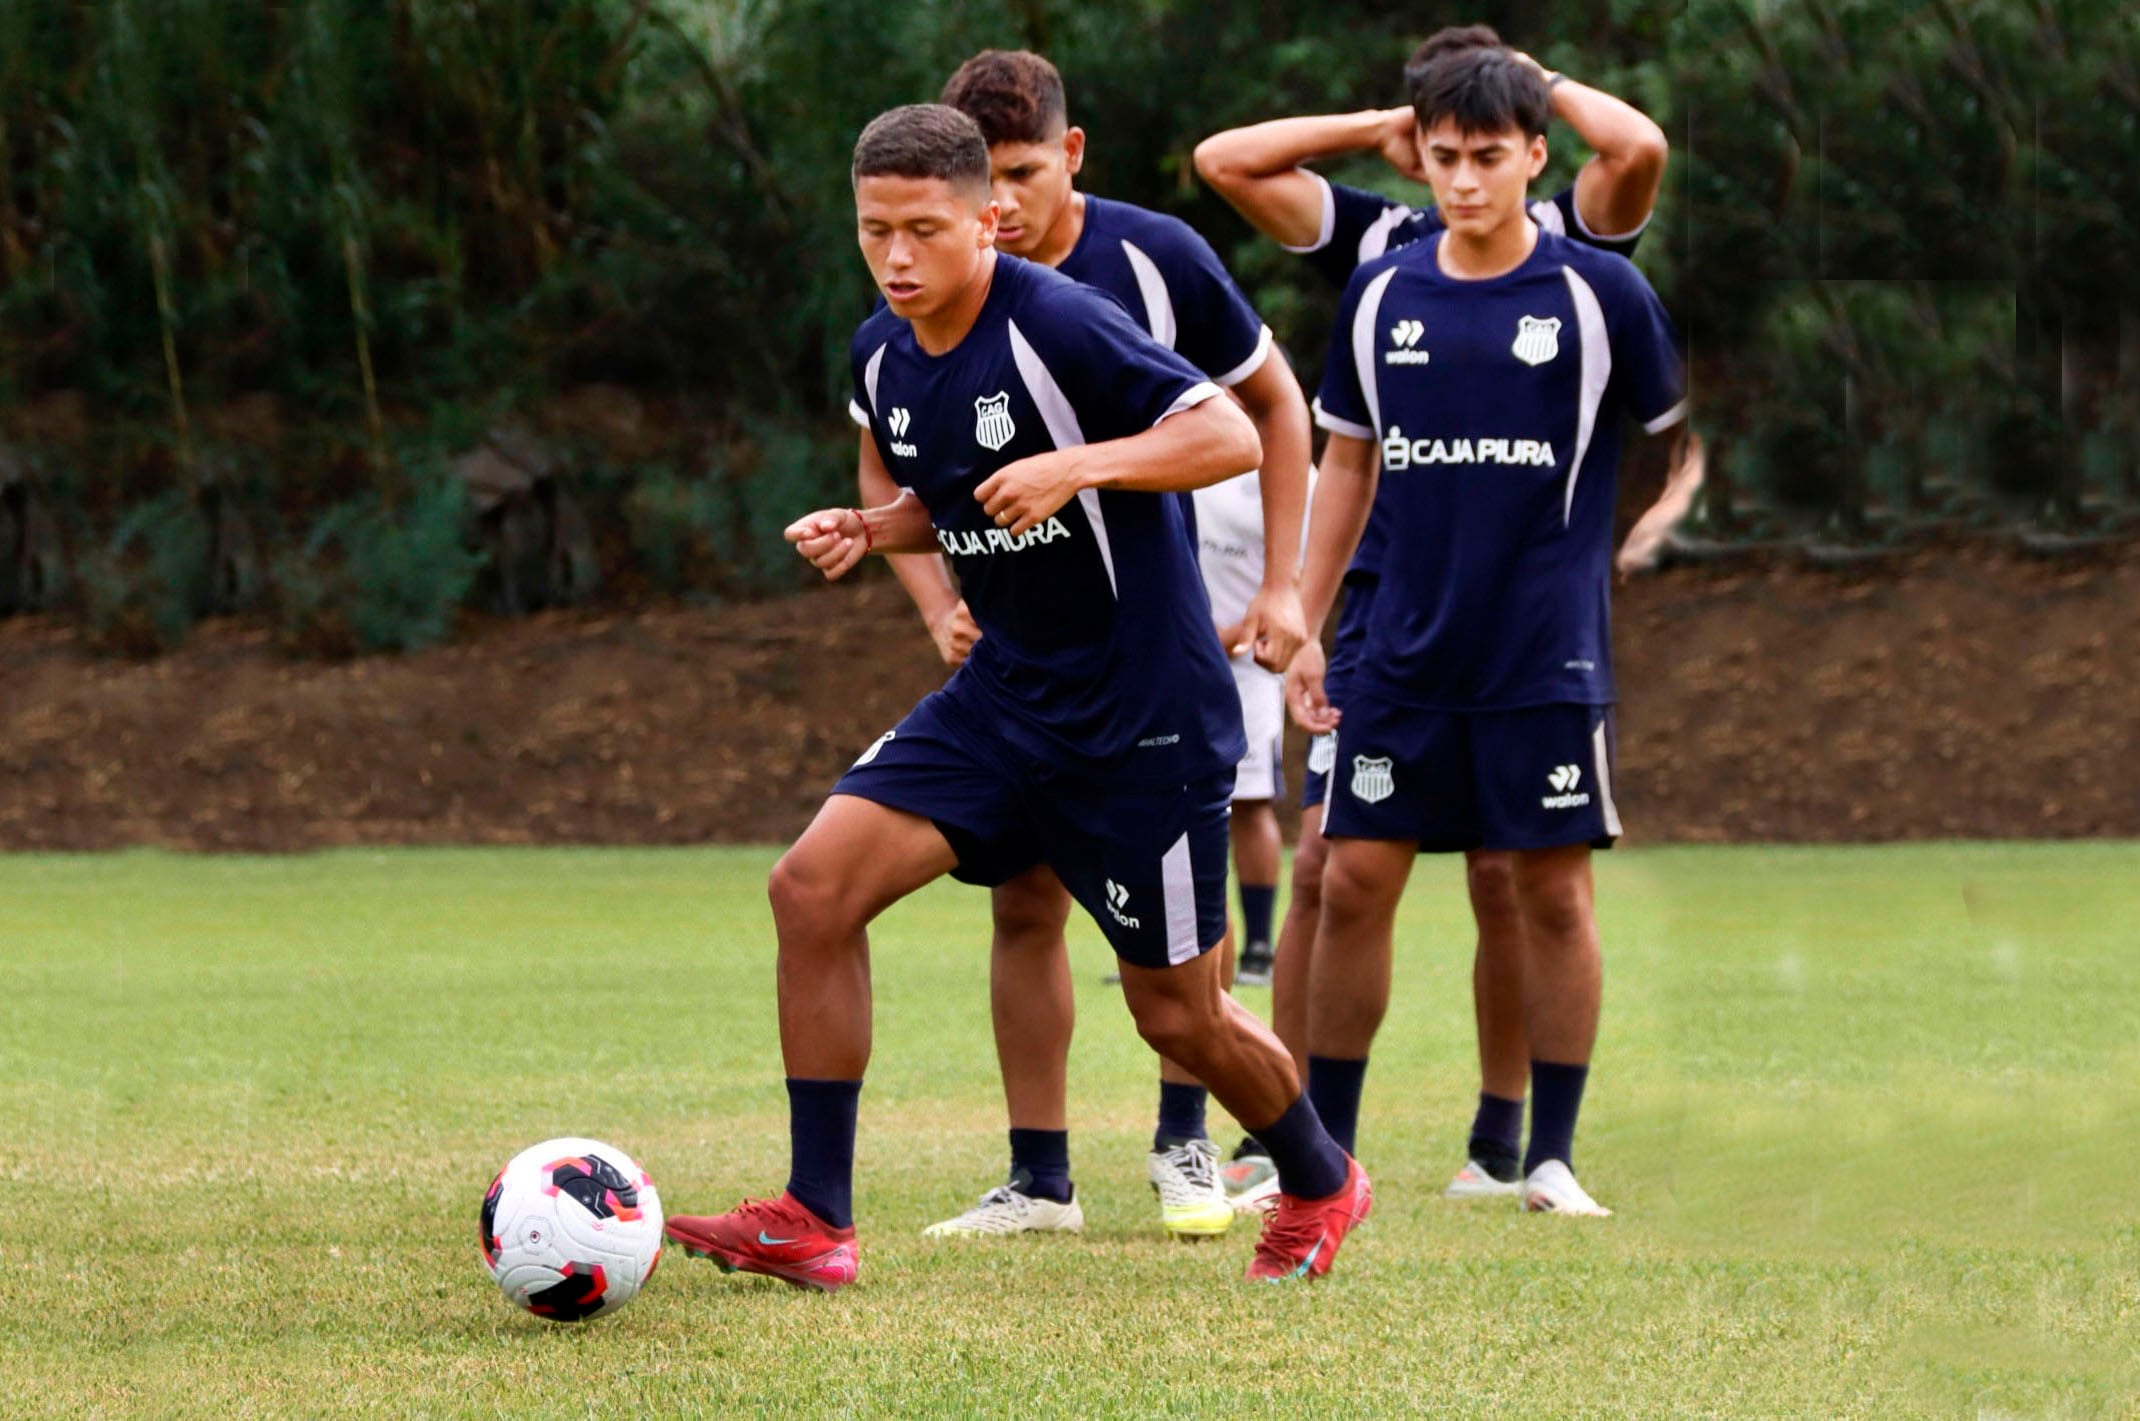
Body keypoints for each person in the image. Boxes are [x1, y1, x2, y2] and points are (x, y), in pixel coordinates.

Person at [662, 104, 1368, 1290]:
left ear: (985, 219)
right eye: (874, 231)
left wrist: (1078, 464)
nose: (896, 257)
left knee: (1177, 1014)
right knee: (811, 888)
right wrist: (873, 527)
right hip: (1002, 702)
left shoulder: (1058, 320)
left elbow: (1228, 435)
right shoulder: (882, 353)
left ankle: (1318, 1175)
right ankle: (816, 1215)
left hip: (1141, 717)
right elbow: (951, 493)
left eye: (923, 230)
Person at [1194, 24, 1671, 1202]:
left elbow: (1662, 438)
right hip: (1393, 632)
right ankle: (1315, 1153)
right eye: (1444, 151)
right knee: (1342, 872)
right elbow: (1346, 465)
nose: (1462, 178)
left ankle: (1533, 1149)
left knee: (1533, 882)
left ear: (1532, 151)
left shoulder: (1592, 274)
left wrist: (1605, 552)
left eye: (1487, 151)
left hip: (1539, 645)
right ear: (1418, 147)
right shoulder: (1377, 271)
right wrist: (1303, 611)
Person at [854, 51, 1311, 1242]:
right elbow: (896, 467)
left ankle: (1187, 1139)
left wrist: (1283, 583)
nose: (1002, 202)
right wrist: (934, 601)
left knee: (1182, 949)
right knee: (1019, 902)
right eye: (985, 178)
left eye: (1020, 173)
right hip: (1023, 665)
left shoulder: (1152, 262)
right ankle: (1038, 1175)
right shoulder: (915, 297)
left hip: (1148, 646)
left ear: (1071, 153)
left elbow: (1268, 410)